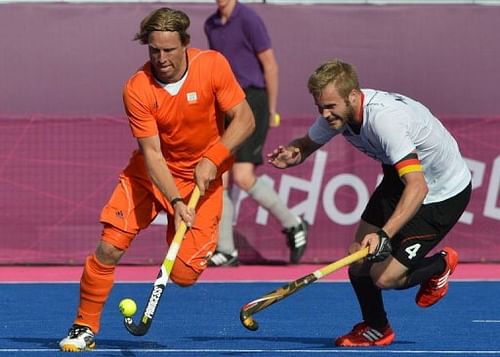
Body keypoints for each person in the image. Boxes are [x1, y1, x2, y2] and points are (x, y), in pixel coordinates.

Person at [58, 7, 255, 352]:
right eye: (154, 50)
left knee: (183, 275)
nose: (161, 58)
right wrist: (176, 202)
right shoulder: (137, 88)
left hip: (202, 181)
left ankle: (186, 251)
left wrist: (213, 158)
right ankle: (83, 326)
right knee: (109, 246)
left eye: (169, 50)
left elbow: (245, 119)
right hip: (149, 176)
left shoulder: (212, 65)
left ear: (185, 45)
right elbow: (152, 154)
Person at [268, 59, 471, 347]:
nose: (324, 115)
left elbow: (418, 187)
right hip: (399, 177)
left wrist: (385, 235)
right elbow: (307, 144)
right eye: (319, 108)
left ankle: (439, 265)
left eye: (329, 107)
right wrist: (295, 152)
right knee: (358, 258)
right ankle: (377, 328)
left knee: (385, 277)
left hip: (442, 191)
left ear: (353, 95)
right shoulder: (338, 113)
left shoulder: (385, 121)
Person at [204, 0, 308, 266]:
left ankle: (294, 224)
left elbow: (270, 65)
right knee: (221, 177)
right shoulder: (211, 25)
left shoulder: (249, 18)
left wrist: (271, 109)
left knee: (243, 175)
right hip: (226, 103)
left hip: (253, 101)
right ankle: (226, 250)